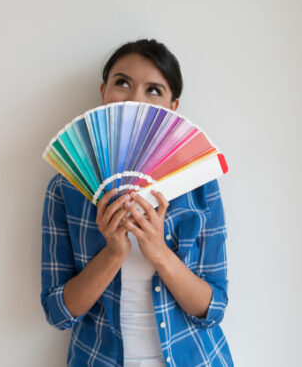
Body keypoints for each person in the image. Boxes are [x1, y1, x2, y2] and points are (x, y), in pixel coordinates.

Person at [40, 39, 233, 367]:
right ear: (103, 92)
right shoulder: (67, 188)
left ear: (173, 107)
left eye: (154, 90)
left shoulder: (199, 185)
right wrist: (114, 253)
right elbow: (59, 314)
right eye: (122, 83)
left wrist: (157, 250)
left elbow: (212, 310)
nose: (134, 99)